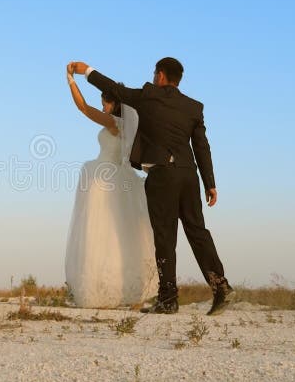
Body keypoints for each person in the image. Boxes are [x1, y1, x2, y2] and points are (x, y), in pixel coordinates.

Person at [67, 57, 234, 315]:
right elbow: (201, 147)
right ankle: (220, 286)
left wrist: (85, 70)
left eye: (155, 73)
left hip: (162, 175)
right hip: (189, 175)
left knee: (165, 237)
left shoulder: (148, 96)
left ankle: (168, 299)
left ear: (161, 75)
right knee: (197, 231)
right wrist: (210, 183)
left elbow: (114, 87)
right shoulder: (193, 107)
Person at [63, 65, 157, 308]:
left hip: (104, 179)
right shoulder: (129, 126)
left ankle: (101, 289)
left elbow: (84, 109)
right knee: (119, 236)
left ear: (114, 104)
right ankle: (123, 288)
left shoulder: (114, 123)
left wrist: (71, 82)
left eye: (104, 102)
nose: (102, 107)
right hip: (120, 177)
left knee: (98, 235)